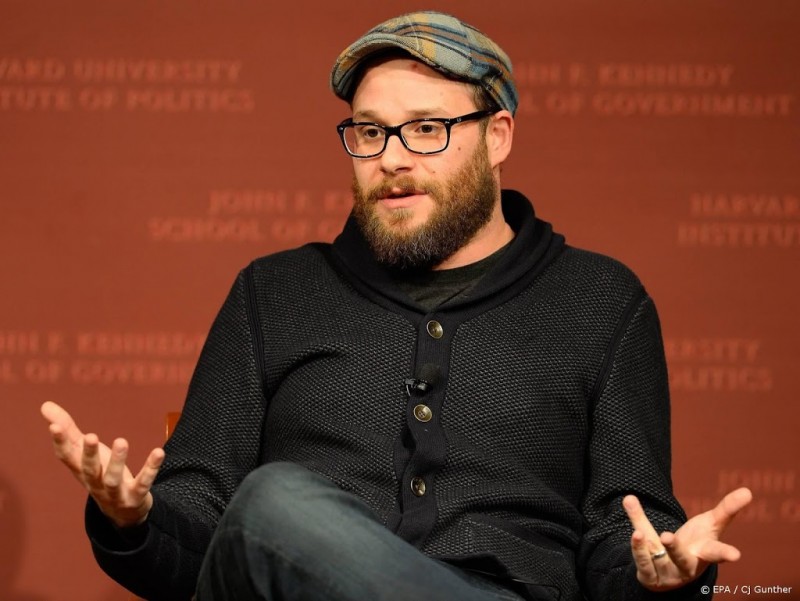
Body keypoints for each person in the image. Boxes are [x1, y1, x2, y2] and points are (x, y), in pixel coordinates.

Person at [42, 10, 753, 601]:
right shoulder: (275, 293)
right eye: (370, 131)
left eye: (426, 128)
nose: (391, 158)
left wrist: (662, 572)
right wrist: (134, 519)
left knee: (274, 505)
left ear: (497, 137)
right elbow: (205, 545)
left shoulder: (601, 303)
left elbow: (623, 532)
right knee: (271, 510)